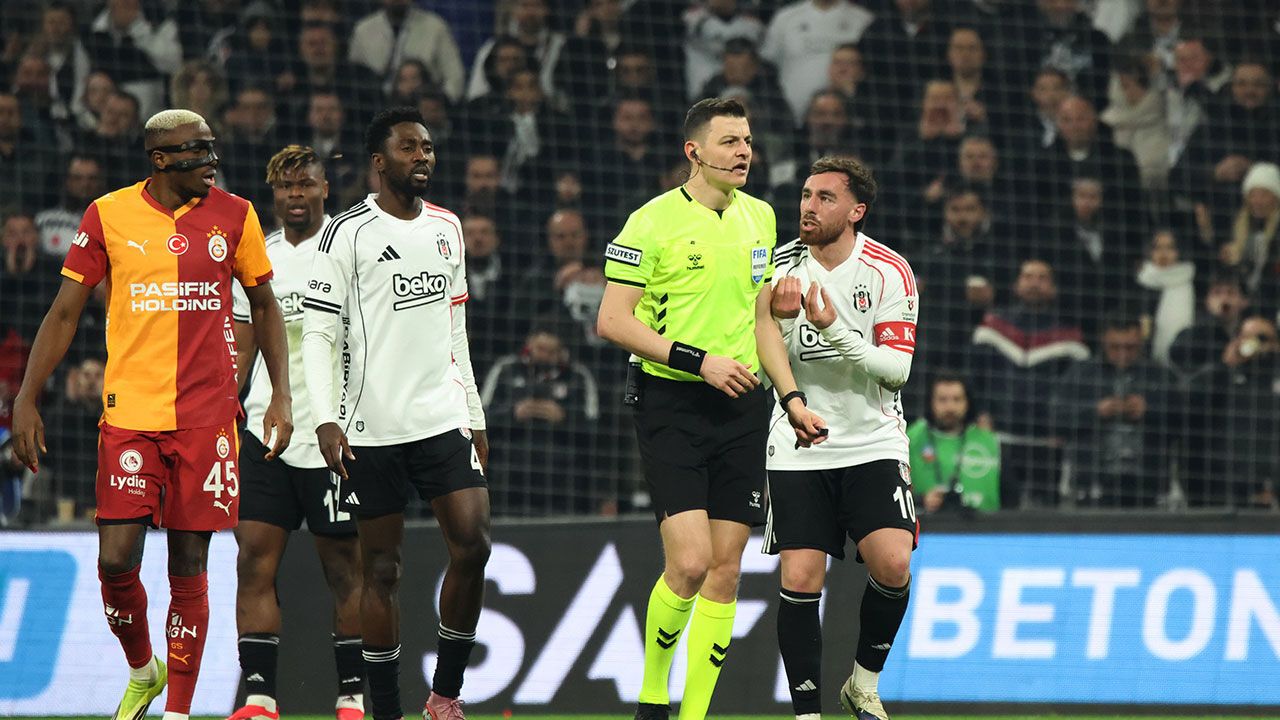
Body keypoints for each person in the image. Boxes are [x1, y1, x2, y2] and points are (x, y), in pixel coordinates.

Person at [10, 108, 293, 720]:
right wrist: (27, 397)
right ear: (161, 159)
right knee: (115, 560)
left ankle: (178, 713)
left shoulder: (236, 215)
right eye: (197, 151)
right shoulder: (107, 214)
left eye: (213, 148)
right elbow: (64, 312)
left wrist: (281, 396)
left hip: (208, 417)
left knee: (189, 564)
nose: (211, 162)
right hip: (131, 413)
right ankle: (144, 669)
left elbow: (266, 307)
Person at [596, 97, 826, 720]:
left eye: (747, 140)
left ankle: (694, 715)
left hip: (744, 403)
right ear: (693, 152)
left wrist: (791, 397)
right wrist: (698, 361)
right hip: (671, 401)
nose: (744, 151)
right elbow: (612, 320)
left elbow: (760, 321)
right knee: (691, 562)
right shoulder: (650, 222)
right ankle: (652, 700)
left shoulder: (761, 217)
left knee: (726, 571)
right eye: (729, 141)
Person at [301, 106, 489, 720]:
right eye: (409, 147)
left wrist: (474, 413)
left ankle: (444, 696)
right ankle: (386, 711)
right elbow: (319, 334)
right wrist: (325, 418)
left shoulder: (448, 227)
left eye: (427, 147)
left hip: (441, 418)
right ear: (380, 162)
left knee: (474, 545)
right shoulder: (346, 233)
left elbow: (456, 328)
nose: (423, 156)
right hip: (371, 428)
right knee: (381, 569)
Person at [765, 156, 919, 720]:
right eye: (806, 195)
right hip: (799, 442)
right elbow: (762, 357)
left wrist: (834, 328)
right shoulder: (778, 266)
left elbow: (896, 371)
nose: (809, 206)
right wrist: (786, 324)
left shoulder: (888, 271)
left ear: (857, 211)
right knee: (800, 577)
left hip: (873, 439)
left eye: (825, 197)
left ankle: (863, 685)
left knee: (893, 564)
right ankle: (807, 714)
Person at [226, 145, 364, 720]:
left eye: (305, 184)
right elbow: (241, 346)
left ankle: (352, 696)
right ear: (273, 194)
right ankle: (260, 697)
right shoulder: (259, 256)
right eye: (285, 187)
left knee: (345, 568)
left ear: (325, 188)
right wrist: (223, 410)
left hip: (335, 436)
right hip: (266, 434)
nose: (296, 195)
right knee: (253, 559)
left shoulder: (349, 249)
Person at [907, 372, 1000, 513]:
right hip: (925, 524)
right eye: (942, 400)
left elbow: (1012, 498)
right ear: (930, 402)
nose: (950, 407)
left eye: (957, 399)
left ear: (967, 402)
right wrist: (920, 500)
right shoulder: (911, 438)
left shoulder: (989, 441)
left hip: (984, 525)